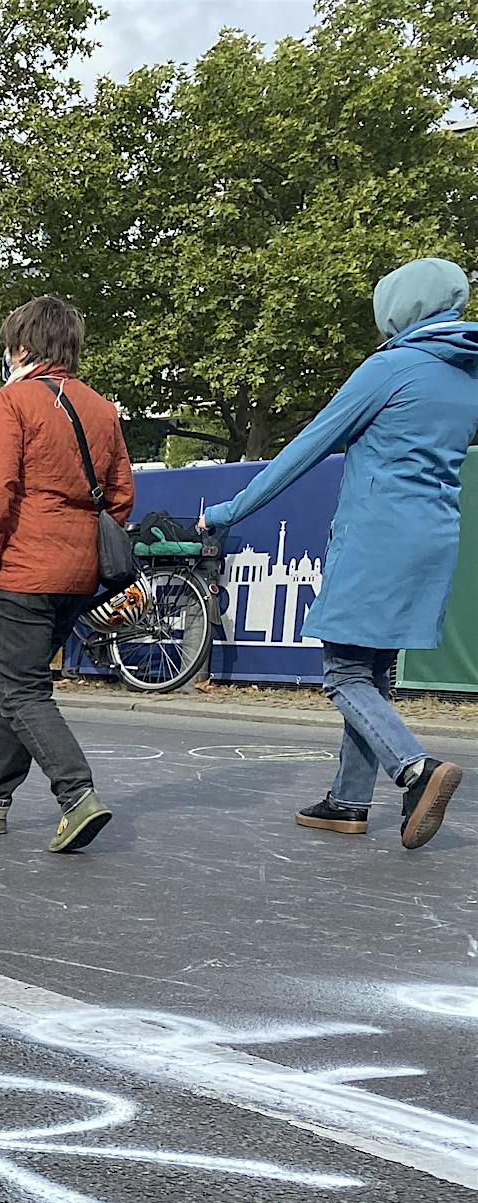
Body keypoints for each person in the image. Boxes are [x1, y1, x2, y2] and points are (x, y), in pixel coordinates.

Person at [201, 259, 477, 850]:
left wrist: (227, 511)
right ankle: (348, 801)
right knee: (373, 671)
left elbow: (305, 449)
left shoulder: (390, 367)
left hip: (379, 533)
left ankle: (415, 768)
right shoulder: (466, 375)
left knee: (344, 673)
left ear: (400, 308)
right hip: (436, 536)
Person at [0, 296, 133, 853]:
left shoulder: (11, 402)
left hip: (23, 567)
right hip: (79, 574)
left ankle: (77, 794)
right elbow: (121, 497)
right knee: (10, 685)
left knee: (20, 689)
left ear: (21, 347)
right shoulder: (103, 408)